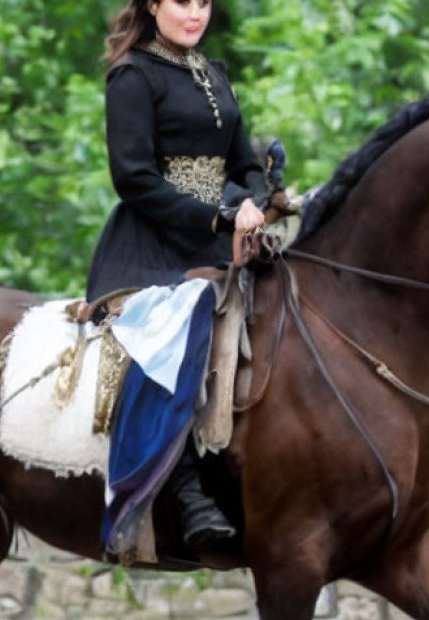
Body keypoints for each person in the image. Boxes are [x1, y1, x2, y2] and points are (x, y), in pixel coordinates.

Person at [88, 0, 267, 551]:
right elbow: (134, 179)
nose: (196, 14)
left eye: (205, 3)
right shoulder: (132, 75)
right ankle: (185, 492)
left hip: (225, 237)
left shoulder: (213, 74)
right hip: (150, 248)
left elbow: (248, 166)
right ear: (151, 5)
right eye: (182, 2)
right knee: (180, 328)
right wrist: (217, 215)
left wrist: (254, 206)